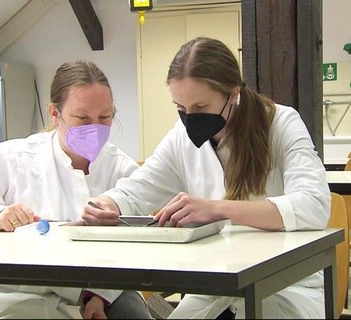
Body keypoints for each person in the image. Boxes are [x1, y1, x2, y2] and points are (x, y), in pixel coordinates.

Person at [84, 37, 331, 319]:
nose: (189, 118)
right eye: (181, 108)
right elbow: (139, 188)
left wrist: (217, 209)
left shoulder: (281, 123)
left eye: (200, 107)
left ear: (233, 93)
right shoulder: (180, 138)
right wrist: (107, 203)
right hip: (216, 286)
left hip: (284, 285)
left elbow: (314, 206)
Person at [0, 60, 152, 319]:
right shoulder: (14, 158)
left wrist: (98, 295)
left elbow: (134, 248)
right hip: (19, 295)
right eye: (82, 118)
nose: (95, 128)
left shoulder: (122, 170)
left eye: (105, 117)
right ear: (54, 114)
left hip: (101, 289)